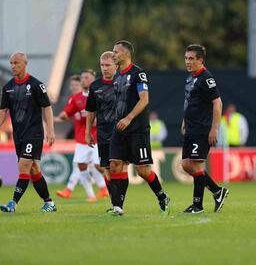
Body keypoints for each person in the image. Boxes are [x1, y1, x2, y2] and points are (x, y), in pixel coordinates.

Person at [108, 40, 170, 216]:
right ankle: (117, 207)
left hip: (137, 129)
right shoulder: (117, 75)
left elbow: (144, 99)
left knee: (142, 170)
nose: (113, 55)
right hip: (119, 128)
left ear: (127, 54)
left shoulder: (138, 74)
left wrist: (129, 117)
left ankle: (162, 196)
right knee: (115, 165)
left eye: (116, 52)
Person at [0, 52, 57, 212]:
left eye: (16, 63)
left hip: (34, 133)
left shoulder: (36, 85)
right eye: (11, 63)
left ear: (25, 63)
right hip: (19, 135)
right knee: (33, 170)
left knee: (24, 165)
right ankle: (49, 203)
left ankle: (13, 203)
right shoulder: (8, 88)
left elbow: (47, 107)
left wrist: (51, 130)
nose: (13, 66)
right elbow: (3, 111)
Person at [181, 44, 229, 214]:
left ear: (200, 60)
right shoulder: (191, 78)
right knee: (186, 164)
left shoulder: (206, 78)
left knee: (197, 165)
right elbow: (190, 101)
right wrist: (184, 120)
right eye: (186, 58)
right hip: (191, 126)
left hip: (202, 128)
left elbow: (218, 103)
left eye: (191, 58)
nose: (188, 62)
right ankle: (217, 191)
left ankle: (198, 205)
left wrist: (214, 129)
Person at [55, 69, 108, 202]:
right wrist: (59, 117)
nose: (84, 80)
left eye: (87, 78)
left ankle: (111, 183)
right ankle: (91, 195)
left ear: (93, 79)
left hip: (98, 138)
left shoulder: (99, 93)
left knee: (98, 166)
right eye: (82, 78)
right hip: (82, 139)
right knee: (81, 166)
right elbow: (67, 112)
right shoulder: (76, 98)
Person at [85, 51, 117, 209]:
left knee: (117, 165)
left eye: (108, 65)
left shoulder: (122, 82)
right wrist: (88, 131)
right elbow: (90, 110)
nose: (105, 68)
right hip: (103, 132)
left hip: (120, 132)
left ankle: (118, 202)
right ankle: (114, 202)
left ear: (116, 65)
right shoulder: (95, 86)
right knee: (106, 168)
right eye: (102, 65)